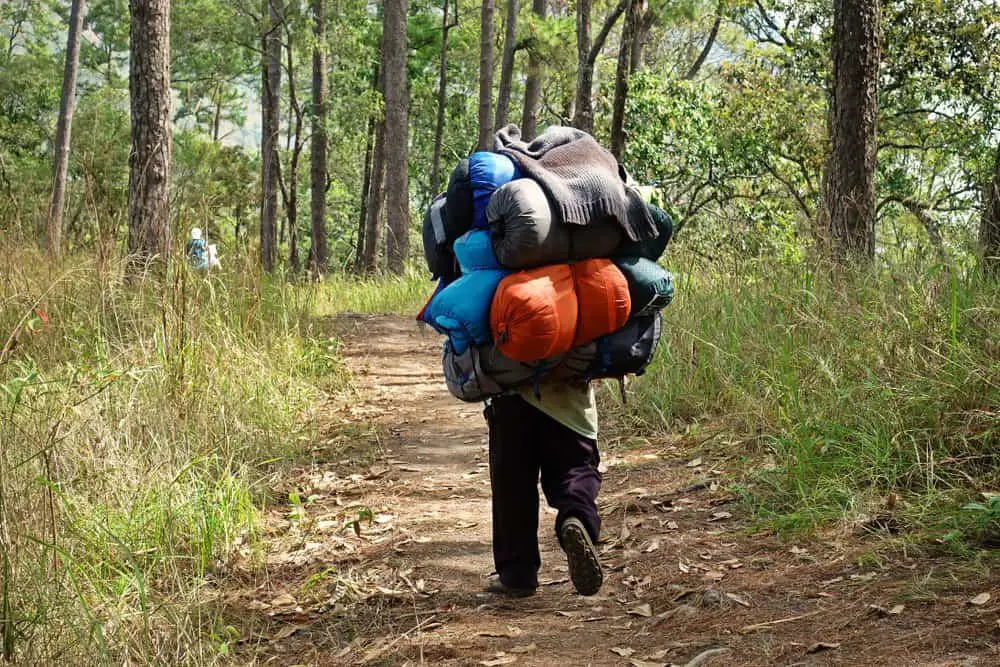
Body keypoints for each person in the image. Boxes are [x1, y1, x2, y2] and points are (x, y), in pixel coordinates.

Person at [483, 379, 604, 597]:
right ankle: (576, 517)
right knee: (575, 470)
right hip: (569, 398)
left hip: (510, 397)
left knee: (512, 488)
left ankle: (516, 575)